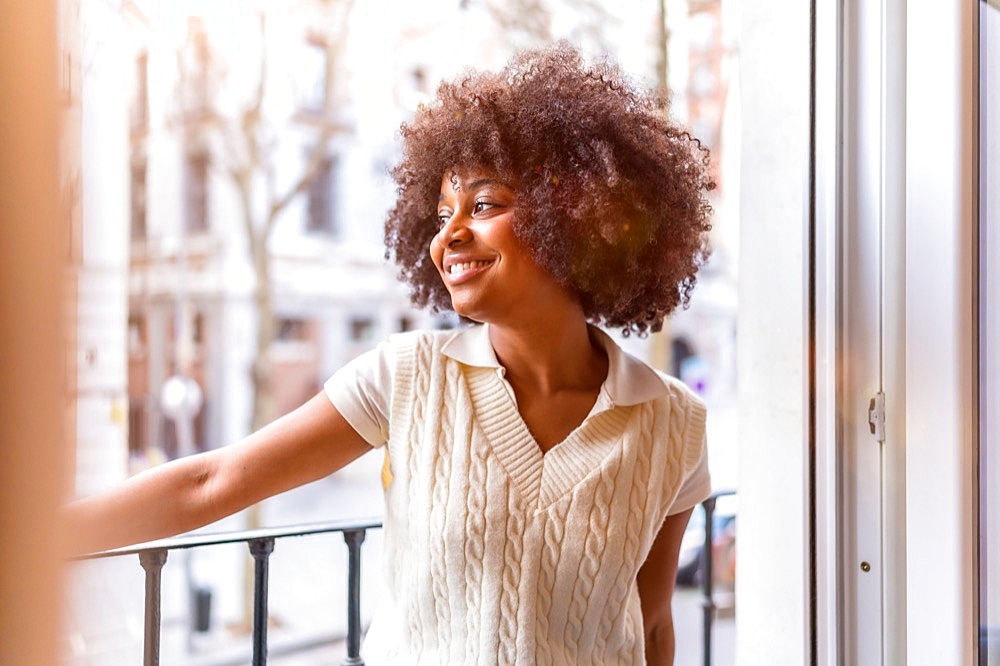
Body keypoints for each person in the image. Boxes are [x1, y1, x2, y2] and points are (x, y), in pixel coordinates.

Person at [65, 42, 715, 665]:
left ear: (573, 218)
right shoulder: (405, 378)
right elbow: (209, 483)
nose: (449, 236)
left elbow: (650, 626)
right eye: (439, 214)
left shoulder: (674, 424)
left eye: (483, 204)